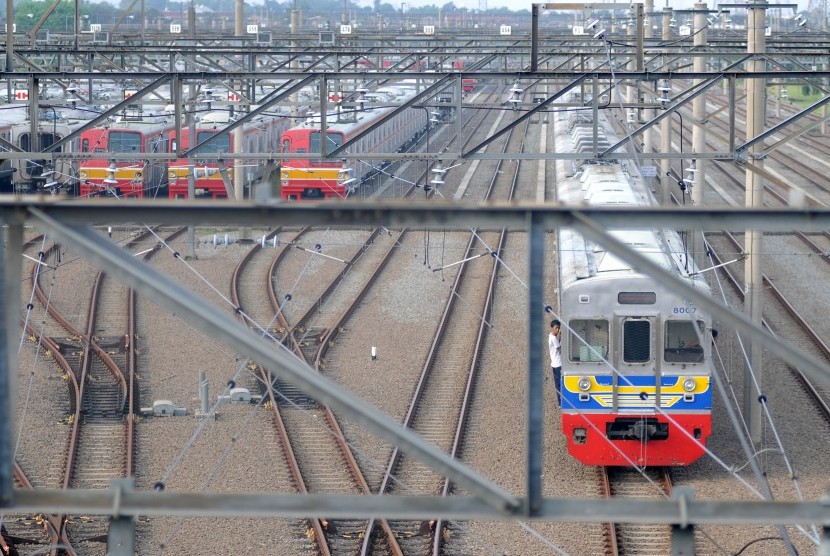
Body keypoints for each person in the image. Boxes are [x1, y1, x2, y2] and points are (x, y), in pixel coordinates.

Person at [549, 319, 562, 406]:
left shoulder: (550, 336)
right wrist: (562, 338)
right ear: (552, 328)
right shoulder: (553, 338)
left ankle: (560, 401)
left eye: (558, 328)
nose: (557, 330)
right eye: (556, 328)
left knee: (557, 383)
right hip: (558, 364)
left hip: (554, 363)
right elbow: (559, 348)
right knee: (560, 383)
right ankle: (560, 401)